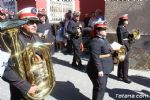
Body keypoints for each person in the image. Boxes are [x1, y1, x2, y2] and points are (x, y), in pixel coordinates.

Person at [6, 7, 44, 100]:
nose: (35, 25)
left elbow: (43, 55)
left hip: (37, 83)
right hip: (21, 87)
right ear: (22, 23)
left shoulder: (36, 37)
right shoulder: (11, 40)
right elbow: (4, 68)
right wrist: (25, 87)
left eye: (36, 22)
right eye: (30, 22)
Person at [87, 22, 114, 100]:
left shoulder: (104, 39)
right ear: (98, 31)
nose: (106, 31)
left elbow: (107, 50)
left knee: (102, 87)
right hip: (98, 69)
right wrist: (100, 70)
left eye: (105, 29)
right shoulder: (95, 41)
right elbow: (95, 56)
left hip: (105, 67)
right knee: (99, 88)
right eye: (104, 29)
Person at [116, 14, 131, 83]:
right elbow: (120, 38)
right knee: (125, 61)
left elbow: (127, 36)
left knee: (122, 60)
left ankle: (120, 75)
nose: (127, 21)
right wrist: (123, 46)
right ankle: (125, 77)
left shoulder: (124, 27)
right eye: (126, 20)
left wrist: (132, 35)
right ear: (123, 21)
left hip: (126, 45)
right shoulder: (120, 27)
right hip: (123, 46)